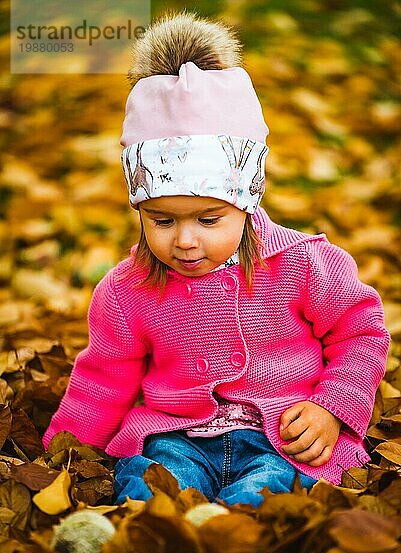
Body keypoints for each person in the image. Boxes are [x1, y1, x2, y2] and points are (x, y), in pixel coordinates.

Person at [43, 12, 390, 508]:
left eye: (209, 220)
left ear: (245, 205)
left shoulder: (305, 264)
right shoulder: (126, 290)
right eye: (163, 221)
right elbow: (104, 375)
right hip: (176, 434)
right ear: (140, 209)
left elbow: (361, 334)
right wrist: (66, 451)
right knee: (153, 480)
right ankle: (141, 537)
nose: (185, 241)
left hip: (284, 436)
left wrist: (331, 407)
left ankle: (227, 535)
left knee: (269, 492)